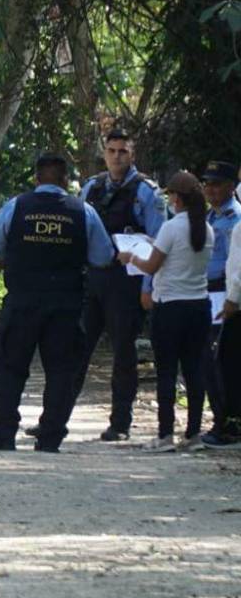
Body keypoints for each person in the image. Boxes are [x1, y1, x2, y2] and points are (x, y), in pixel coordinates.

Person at [0, 154, 116, 452]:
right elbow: (103, 257)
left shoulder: (18, 206)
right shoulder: (84, 212)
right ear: (66, 181)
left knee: (10, 367)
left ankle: (2, 433)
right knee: (62, 371)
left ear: (36, 179)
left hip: (23, 300)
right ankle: (51, 436)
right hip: (65, 304)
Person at [72, 128, 166, 442]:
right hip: (94, 278)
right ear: (104, 152)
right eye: (111, 150)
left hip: (128, 282)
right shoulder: (91, 188)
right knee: (75, 348)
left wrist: (148, 287)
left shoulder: (147, 193)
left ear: (132, 154)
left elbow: (159, 244)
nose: (116, 157)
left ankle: (120, 423)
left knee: (123, 353)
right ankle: (55, 416)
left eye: (122, 151)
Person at [118, 171, 214, 451]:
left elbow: (151, 266)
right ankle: (194, 433)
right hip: (199, 305)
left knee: (167, 372)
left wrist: (131, 256)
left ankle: (165, 434)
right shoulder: (205, 228)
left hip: (170, 306)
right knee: (195, 371)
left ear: (177, 199)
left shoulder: (172, 227)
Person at [199, 161, 239, 441]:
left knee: (221, 363)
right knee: (209, 361)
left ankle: (227, 423)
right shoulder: (210, 217)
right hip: (207, 293)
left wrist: (232, 299)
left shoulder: (235, 218)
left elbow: (236, 265)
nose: (210, 189)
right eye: (207, 183)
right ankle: (220, 419)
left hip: (226, 295)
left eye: (216, 183)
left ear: (232, 186)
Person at [205, 219, 241, 447]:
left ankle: (232, 426)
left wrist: (233, 298)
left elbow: (239, 266)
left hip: (236, 305)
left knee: (230, 367)